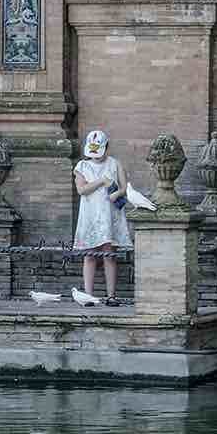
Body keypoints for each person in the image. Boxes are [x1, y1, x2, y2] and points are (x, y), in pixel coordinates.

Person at [73, 129, 131, 305]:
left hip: (109, 214)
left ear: (106, 148)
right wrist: (101, 181)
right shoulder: (82, 166)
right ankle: (88, 296)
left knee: (109, 254)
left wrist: (117, 193)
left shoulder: (115, 164)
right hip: (90, 214)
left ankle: (111, 296)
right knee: (90, 255)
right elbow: (81, 190)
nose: (97, 156)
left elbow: (124, 188)